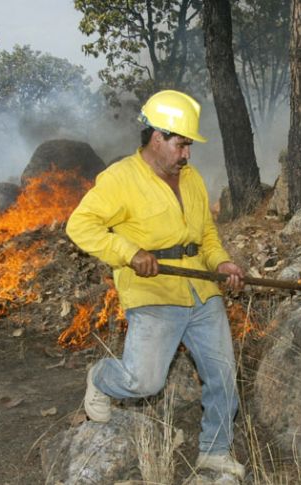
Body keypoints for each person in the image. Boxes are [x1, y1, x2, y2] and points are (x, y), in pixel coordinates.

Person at [65, 90, 246, 477]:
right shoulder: (120, 179)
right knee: (143, 382)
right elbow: (79, 225)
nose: (187, 155)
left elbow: (207, 237)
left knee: (223, 377)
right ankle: (101, 377)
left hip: (201, 292)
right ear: (157, 137)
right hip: (153, 293)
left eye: (189, 147)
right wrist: (129, 252)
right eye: (181, 145)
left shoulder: (192, 179)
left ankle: (214, 452)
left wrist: (223, 262)